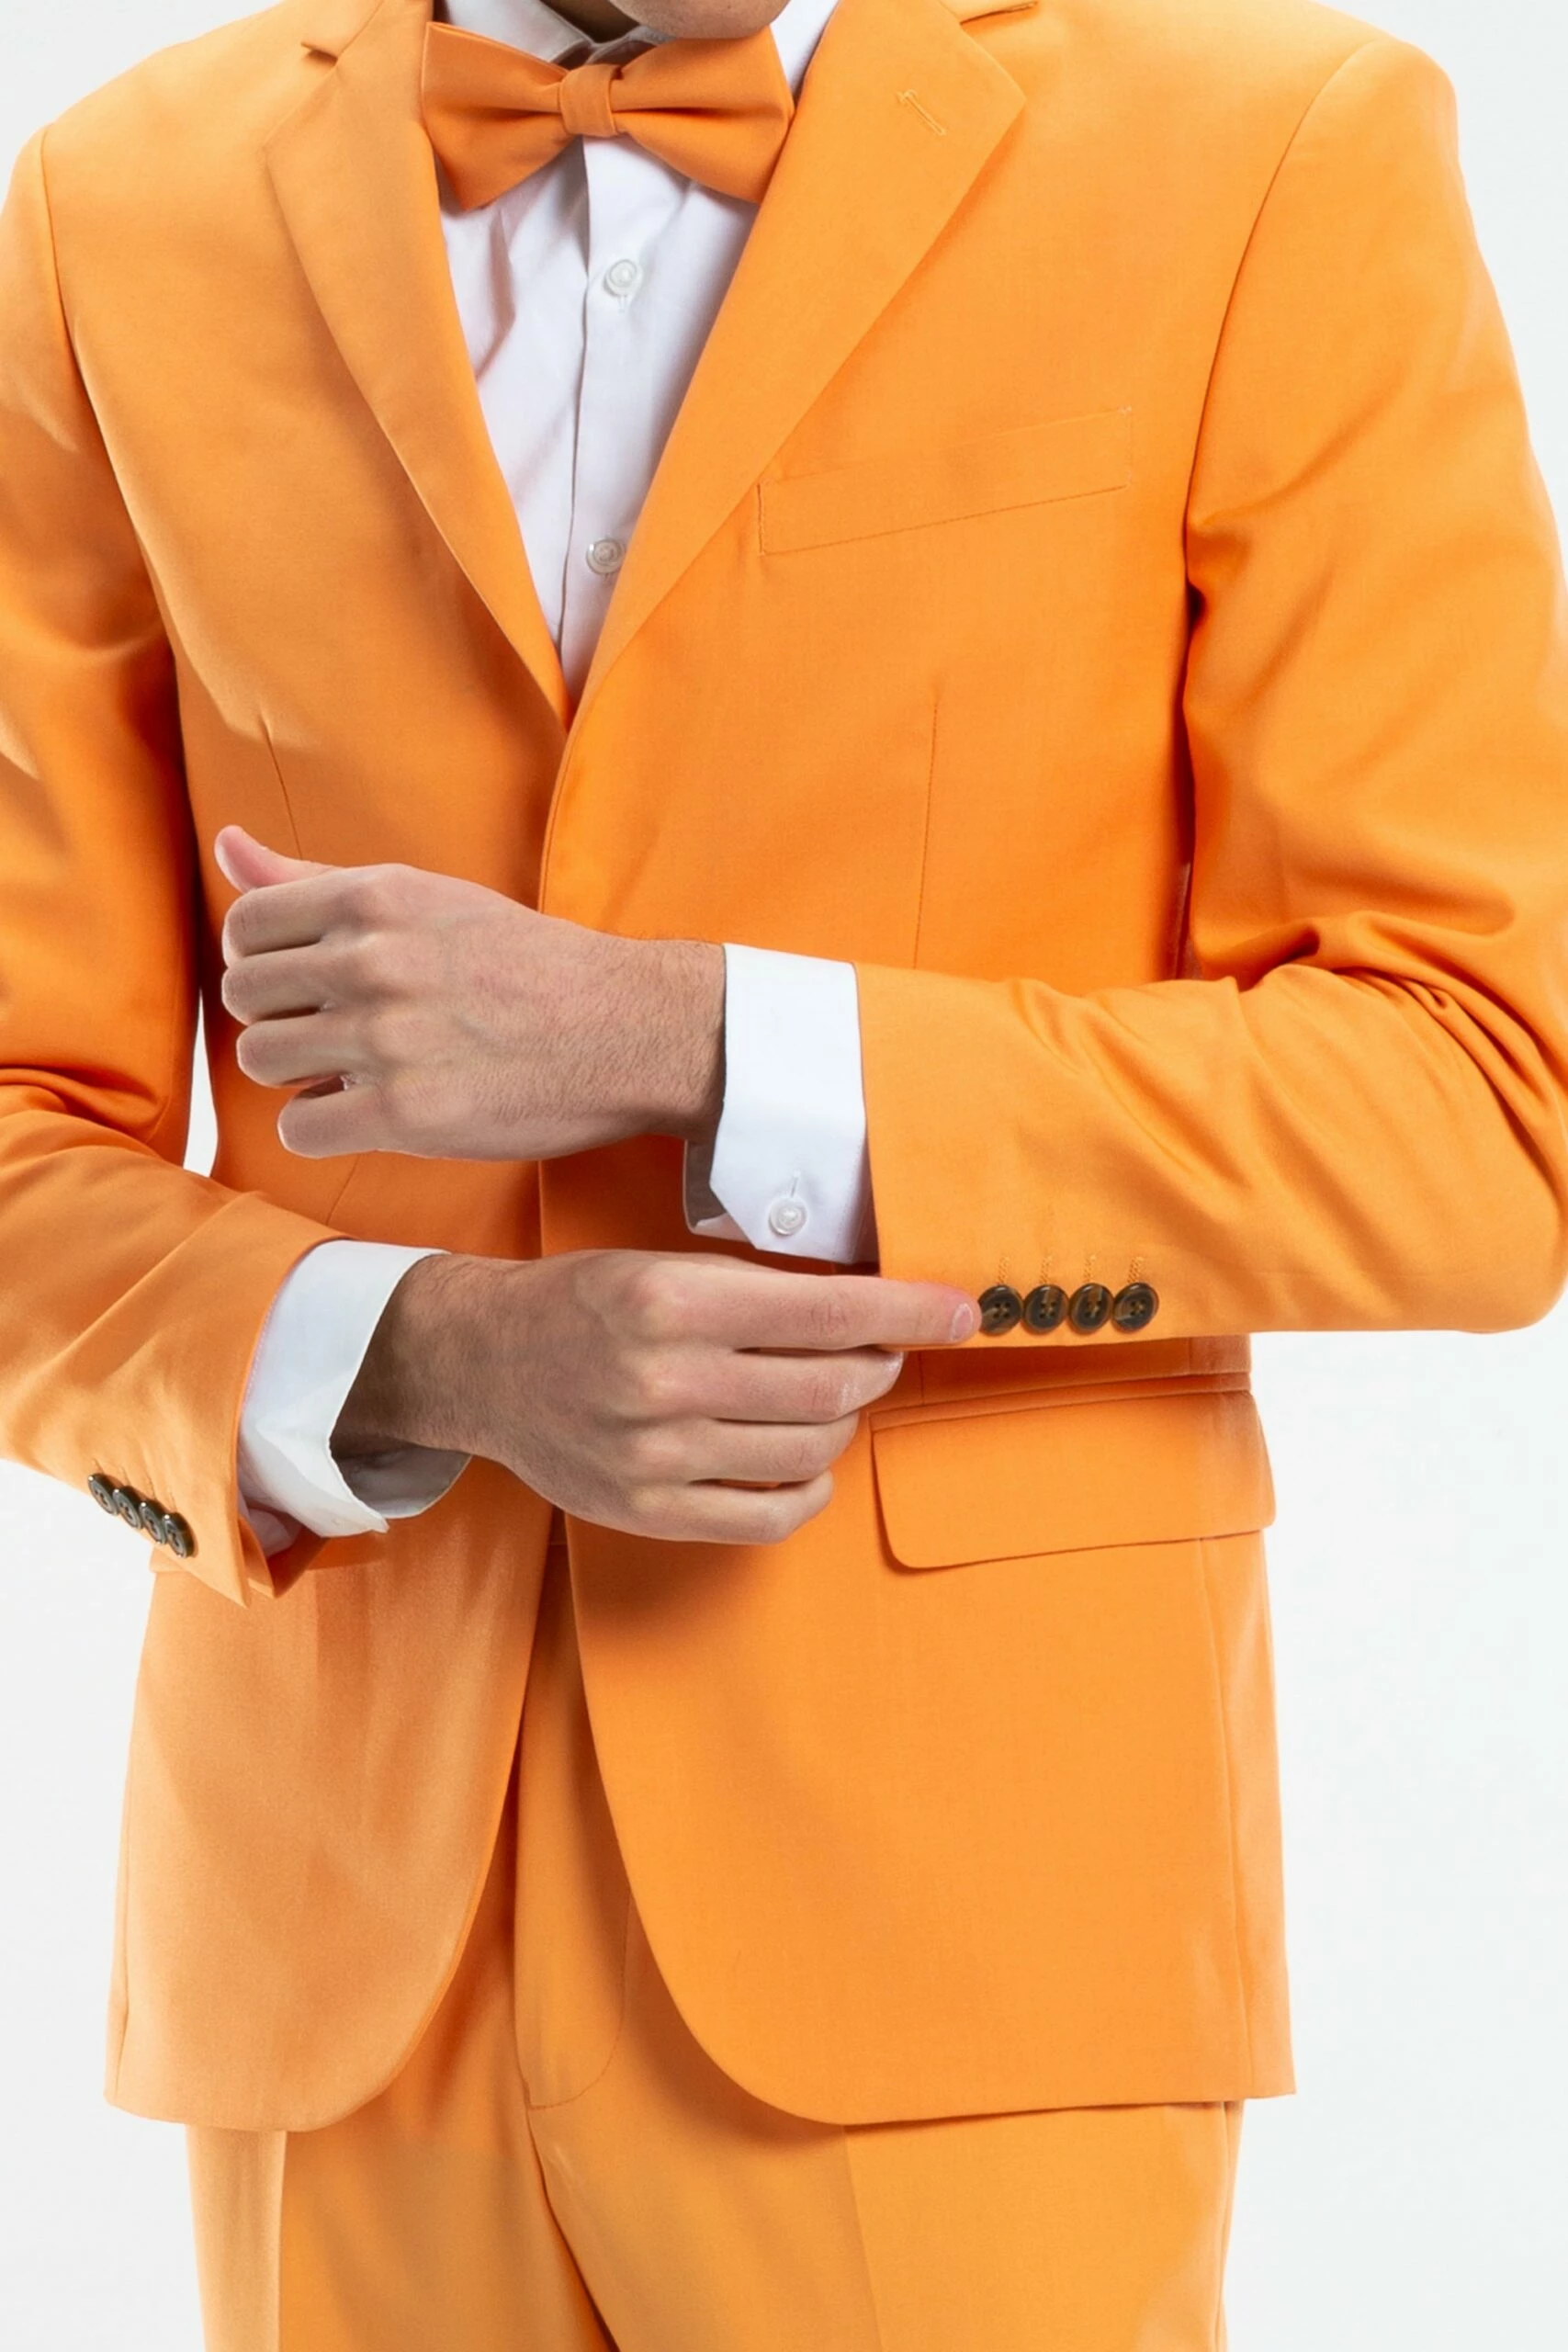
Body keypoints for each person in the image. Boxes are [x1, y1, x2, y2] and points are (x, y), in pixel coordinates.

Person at [2, 0, 1566, 2338]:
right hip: (335, 1945)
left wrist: (693, 1035)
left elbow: (1473, 1098)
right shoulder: (111, 205)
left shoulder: (1274, 152)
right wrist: (423, 1350)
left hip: (967, 1933)